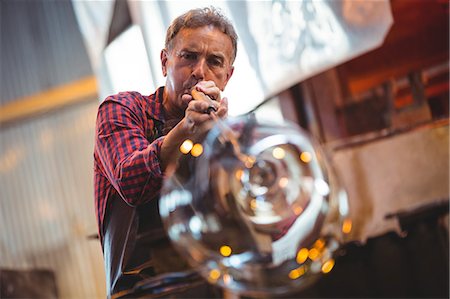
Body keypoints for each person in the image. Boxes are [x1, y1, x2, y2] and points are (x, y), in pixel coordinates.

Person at [93, 7, 237, 298]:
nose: (199, 71)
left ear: (227, 76)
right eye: (189, 56)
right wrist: (187, 128)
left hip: (214, 285)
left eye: (214, 62)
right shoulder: (123, 110)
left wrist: (221, 141)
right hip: (144, 290)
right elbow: (131, 182)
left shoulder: (229, 137)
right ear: (164, 61)